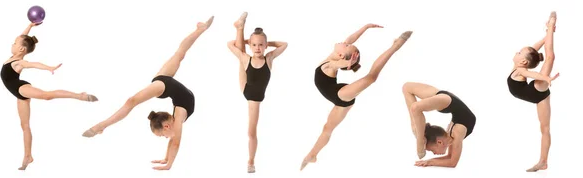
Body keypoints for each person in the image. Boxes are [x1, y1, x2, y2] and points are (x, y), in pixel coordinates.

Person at [81, 16, 214, 170]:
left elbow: (174, 141)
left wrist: (169, 163)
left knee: (133, 100)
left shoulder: (176, 121)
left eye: (162, 136)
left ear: (166, 126)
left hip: (166, 85)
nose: (165, 138)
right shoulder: (176, 120)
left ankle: (101, 125)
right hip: (166, 84)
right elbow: (174, 141)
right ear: (166, 126)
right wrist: (167, 160)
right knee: (178, 55)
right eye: (163, 136)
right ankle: (200, 29)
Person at [299, 24, 412, 170]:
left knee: (371, 78)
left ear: (341, 55)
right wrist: (366, 27)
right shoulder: (333, 55)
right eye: (347, 44)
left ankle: (396, 45)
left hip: (340, 93)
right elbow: (351, 39)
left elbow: (337, 64)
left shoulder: (331, 64)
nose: (346, 43)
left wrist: (348, 63)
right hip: (341, 101)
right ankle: (312, 155)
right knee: (327, 129)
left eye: (346, 46)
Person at [0, 22, 99, 170]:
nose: (12, 43)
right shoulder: (13, 56)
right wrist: (30, 26)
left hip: (20, 88)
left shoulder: (19, 62)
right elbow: (22, 37)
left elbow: (34, 64)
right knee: (24, 125)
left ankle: (80, 95)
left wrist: (49, 68)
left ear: (21, 48)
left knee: (46, 96)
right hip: (18, 94)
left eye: (15, 43)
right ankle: (28, 155)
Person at [226, 12, 288, 173]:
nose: (258, 48)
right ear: (250, 46)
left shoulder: (269, 58)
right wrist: (247, 42)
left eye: (261, 45)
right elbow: (229, 44)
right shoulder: (247, 57)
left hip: (256, 95)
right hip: (249, 93)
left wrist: (264, 41)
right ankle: (251, 161)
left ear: (266, 45)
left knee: (251, 132)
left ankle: (240, 26)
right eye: (254, 45)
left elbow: (284, 44)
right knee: (251, 133)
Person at [506, 11, 559, 172]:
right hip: (537, 96)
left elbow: (532, 73)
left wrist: (546, 78)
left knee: (550, 57)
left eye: (519, 52)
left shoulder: (521, 70)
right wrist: (547, 36)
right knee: (545, 129)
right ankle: (543, 162)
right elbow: (533, 51)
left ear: (523, 61)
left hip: (535, 90)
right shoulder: (519, 65)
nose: (517, 52)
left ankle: (543, 161)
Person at [402, 82, 476, 168]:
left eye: (432, 151)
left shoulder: (454, 134)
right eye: (432, 150)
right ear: (439, 142)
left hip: (447, 101)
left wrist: (430, 162)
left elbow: (452, 162)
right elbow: (451, 160)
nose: (434, 154)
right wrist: (429, 161)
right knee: (407, 89)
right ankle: (419, 138)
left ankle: (418, 135)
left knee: (414, 105)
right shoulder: (455, 134)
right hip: (447, 99)